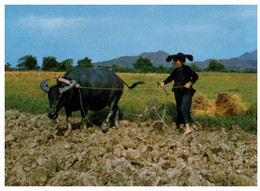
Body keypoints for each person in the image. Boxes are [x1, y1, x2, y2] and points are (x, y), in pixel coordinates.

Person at [160, 52, 198, 135]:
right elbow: (170, 78)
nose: (176, 62)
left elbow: (195, 76)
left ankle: (188, 128)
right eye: (175, 61)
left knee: (184, 107)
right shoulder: (175, 70)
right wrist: (163, 83)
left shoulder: (187, 69)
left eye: (178, 60)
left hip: (186, 92)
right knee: (179, 109)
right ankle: (181, 126)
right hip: (177, 92)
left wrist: (190, 83)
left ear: (182, 61)